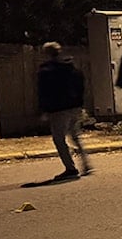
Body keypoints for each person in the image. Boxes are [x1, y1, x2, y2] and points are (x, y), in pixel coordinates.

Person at [38, 42, 91, 179]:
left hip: (58, 109)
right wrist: (80, 104)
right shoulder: (71, 67)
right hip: (74, 107)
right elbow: (81, 85)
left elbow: (44, 92)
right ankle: (86, 163)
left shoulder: (46, 71)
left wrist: (45, 109)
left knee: (59, 139)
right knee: (75, 135)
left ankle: (70, 168)